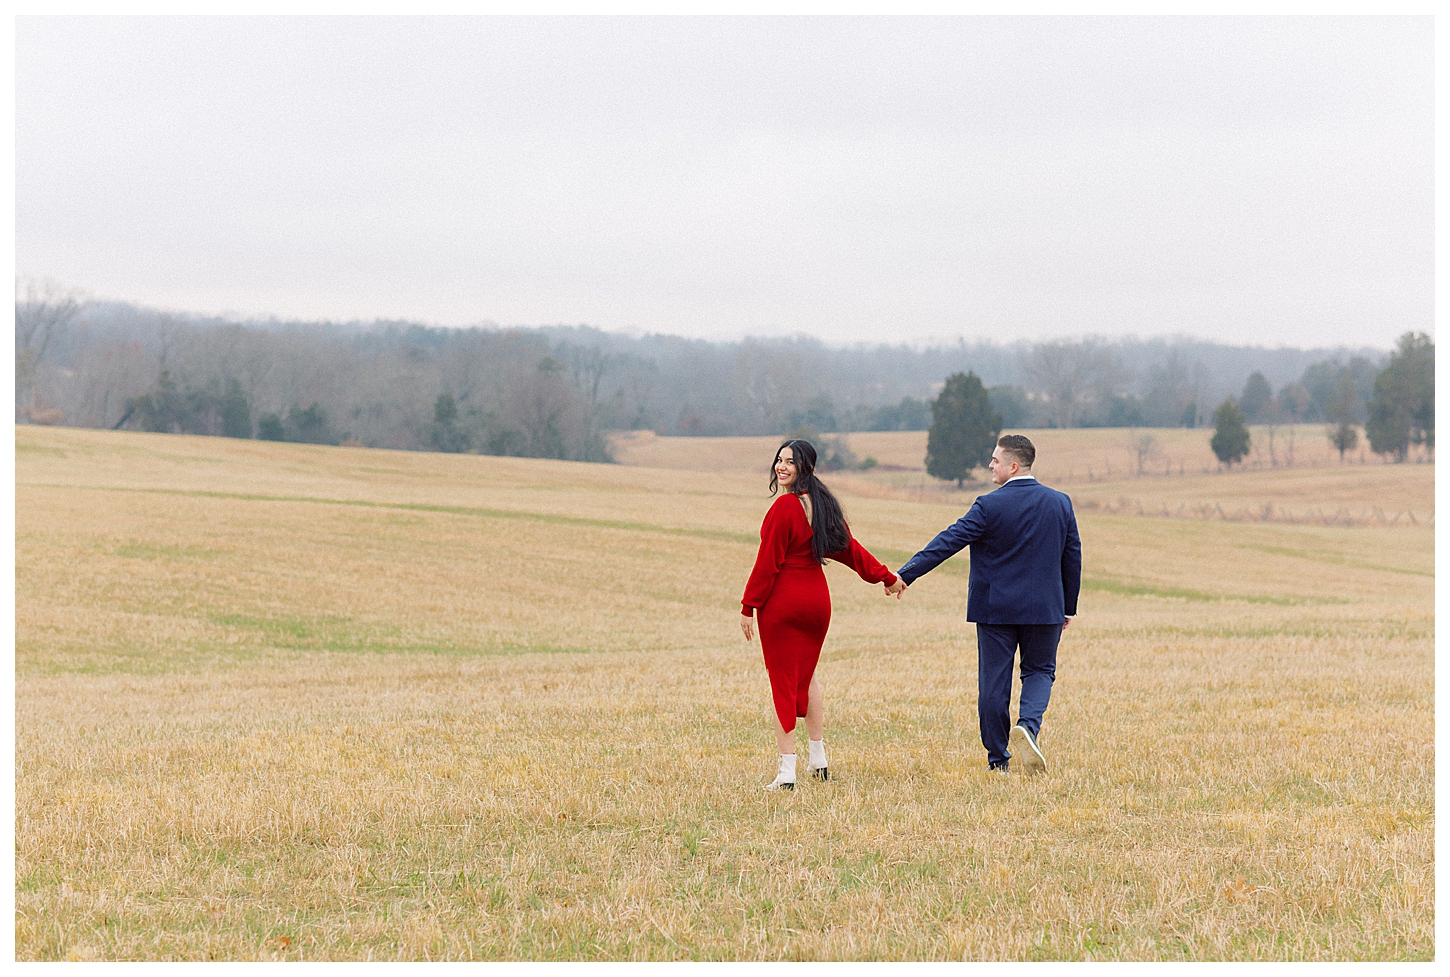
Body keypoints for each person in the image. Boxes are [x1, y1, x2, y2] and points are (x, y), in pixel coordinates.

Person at [886, 434, 1081, 776]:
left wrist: (906, 574)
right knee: (1039, 671)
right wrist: (1068, 606)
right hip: (1045, 607)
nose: (990, 464)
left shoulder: (988, 506)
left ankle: (998, 760)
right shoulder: (1060, 503)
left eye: (995, 459)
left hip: (996, 608)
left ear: (1014, 465)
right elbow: (1072, 555)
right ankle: (1028, 729)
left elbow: (949, 541)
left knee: (994, 681)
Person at [741, 439, 899, 790]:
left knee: (783, 680)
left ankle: (786, 772)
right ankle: (818, 760)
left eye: (790, 462)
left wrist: (748, 605)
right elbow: (851, 551)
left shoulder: (785, 507)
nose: (782, 467)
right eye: (779, 460)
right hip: (817, 603)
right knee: (806, 676)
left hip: (784, 603)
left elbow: (768, 563)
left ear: (804, 468)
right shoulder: (824, 506)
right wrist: (887, 577)